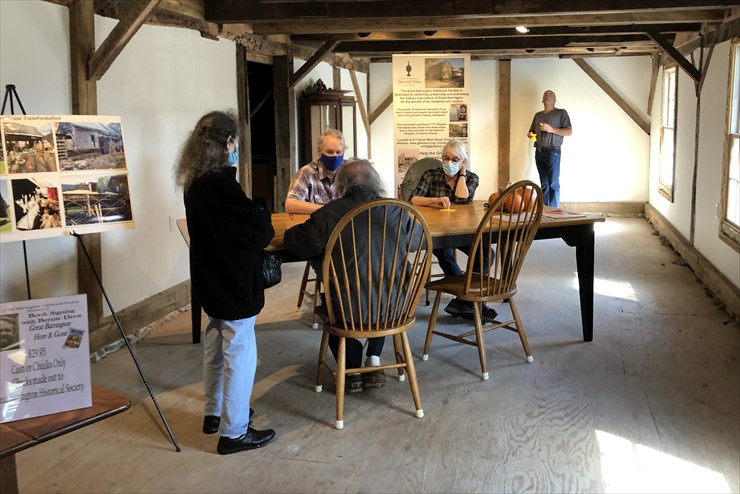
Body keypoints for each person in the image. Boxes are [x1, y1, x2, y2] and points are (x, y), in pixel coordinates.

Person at [174, 111, 276, 455]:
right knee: (241, 352)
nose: (237, 149)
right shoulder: (220, 184)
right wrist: (260, 213)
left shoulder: (195, 181)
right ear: (228, 144)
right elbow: (260, 231)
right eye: (235, 143)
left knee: (215, 347)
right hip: (233, 282)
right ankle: (234, 432)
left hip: (210, 278)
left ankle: (214, 413)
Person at [284, 159, 417, 394]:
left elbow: (297, 243)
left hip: (348, 311)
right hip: (394, 308)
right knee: (382, 292)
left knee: (332, 302)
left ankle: (352, 371)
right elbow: (415, 242)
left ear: (341, 186)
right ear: (376, 183)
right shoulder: (398, 210)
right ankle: (373, 361)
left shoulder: (330, 213)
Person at [410, 139, 498, 321]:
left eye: (455, 159)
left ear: (463, 161)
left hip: (463, 229)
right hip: (438, 230)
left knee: (486, 253)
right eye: (446, 158)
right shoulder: (431, 174)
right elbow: (414, 199)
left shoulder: (472, 177)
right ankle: (472, 301)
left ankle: (463, 300)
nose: (449, 163)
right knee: (444, 252)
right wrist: (434, 200)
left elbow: (462, 198)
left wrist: (462, 174)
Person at [527, 89, 572, 207]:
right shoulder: (538, 115)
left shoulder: (561, 113)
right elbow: (532, 133)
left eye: (550, 93)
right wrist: (531, 136)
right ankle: (546, 211)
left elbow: (569, 131)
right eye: (545, 93)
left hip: (553, 152)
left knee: (553, 183)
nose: (548, 94)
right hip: (539, 152)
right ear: (543, 100)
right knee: (544, 184)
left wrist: (551, 129)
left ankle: (555, 213)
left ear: (554, 100)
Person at [285, 128, 345, 214]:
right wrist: (328, 210)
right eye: (329, 152)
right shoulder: (307, 173)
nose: (335, 157)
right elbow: (290, 205)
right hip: (318, 226)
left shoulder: (351, 172)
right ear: (319, 151)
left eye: (338, 152)